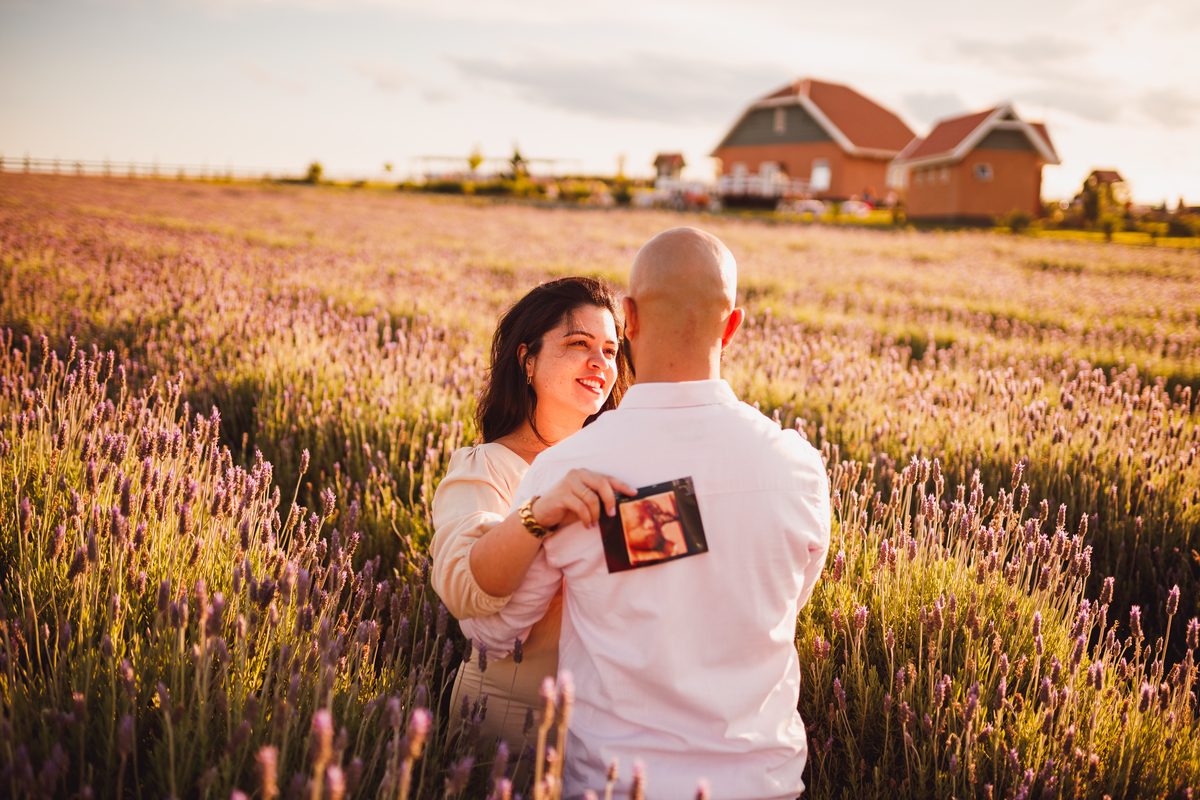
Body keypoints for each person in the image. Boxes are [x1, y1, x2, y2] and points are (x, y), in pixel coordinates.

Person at [460, 228, 831, 799]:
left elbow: (496, 630)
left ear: (627, 318)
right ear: (732, 326)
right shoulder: (797, 467)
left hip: (613, 784)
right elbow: (790, 601)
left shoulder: (569, 469)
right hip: (765, 783)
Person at [430, 276, 635, 745]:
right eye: (578, 343)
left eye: (609, 349)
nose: (600, 363)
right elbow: (466, 591)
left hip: (601, 727)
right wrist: (539, 513)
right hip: (506, 721)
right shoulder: (485, 467)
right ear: (528, 359)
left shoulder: (617, 464)